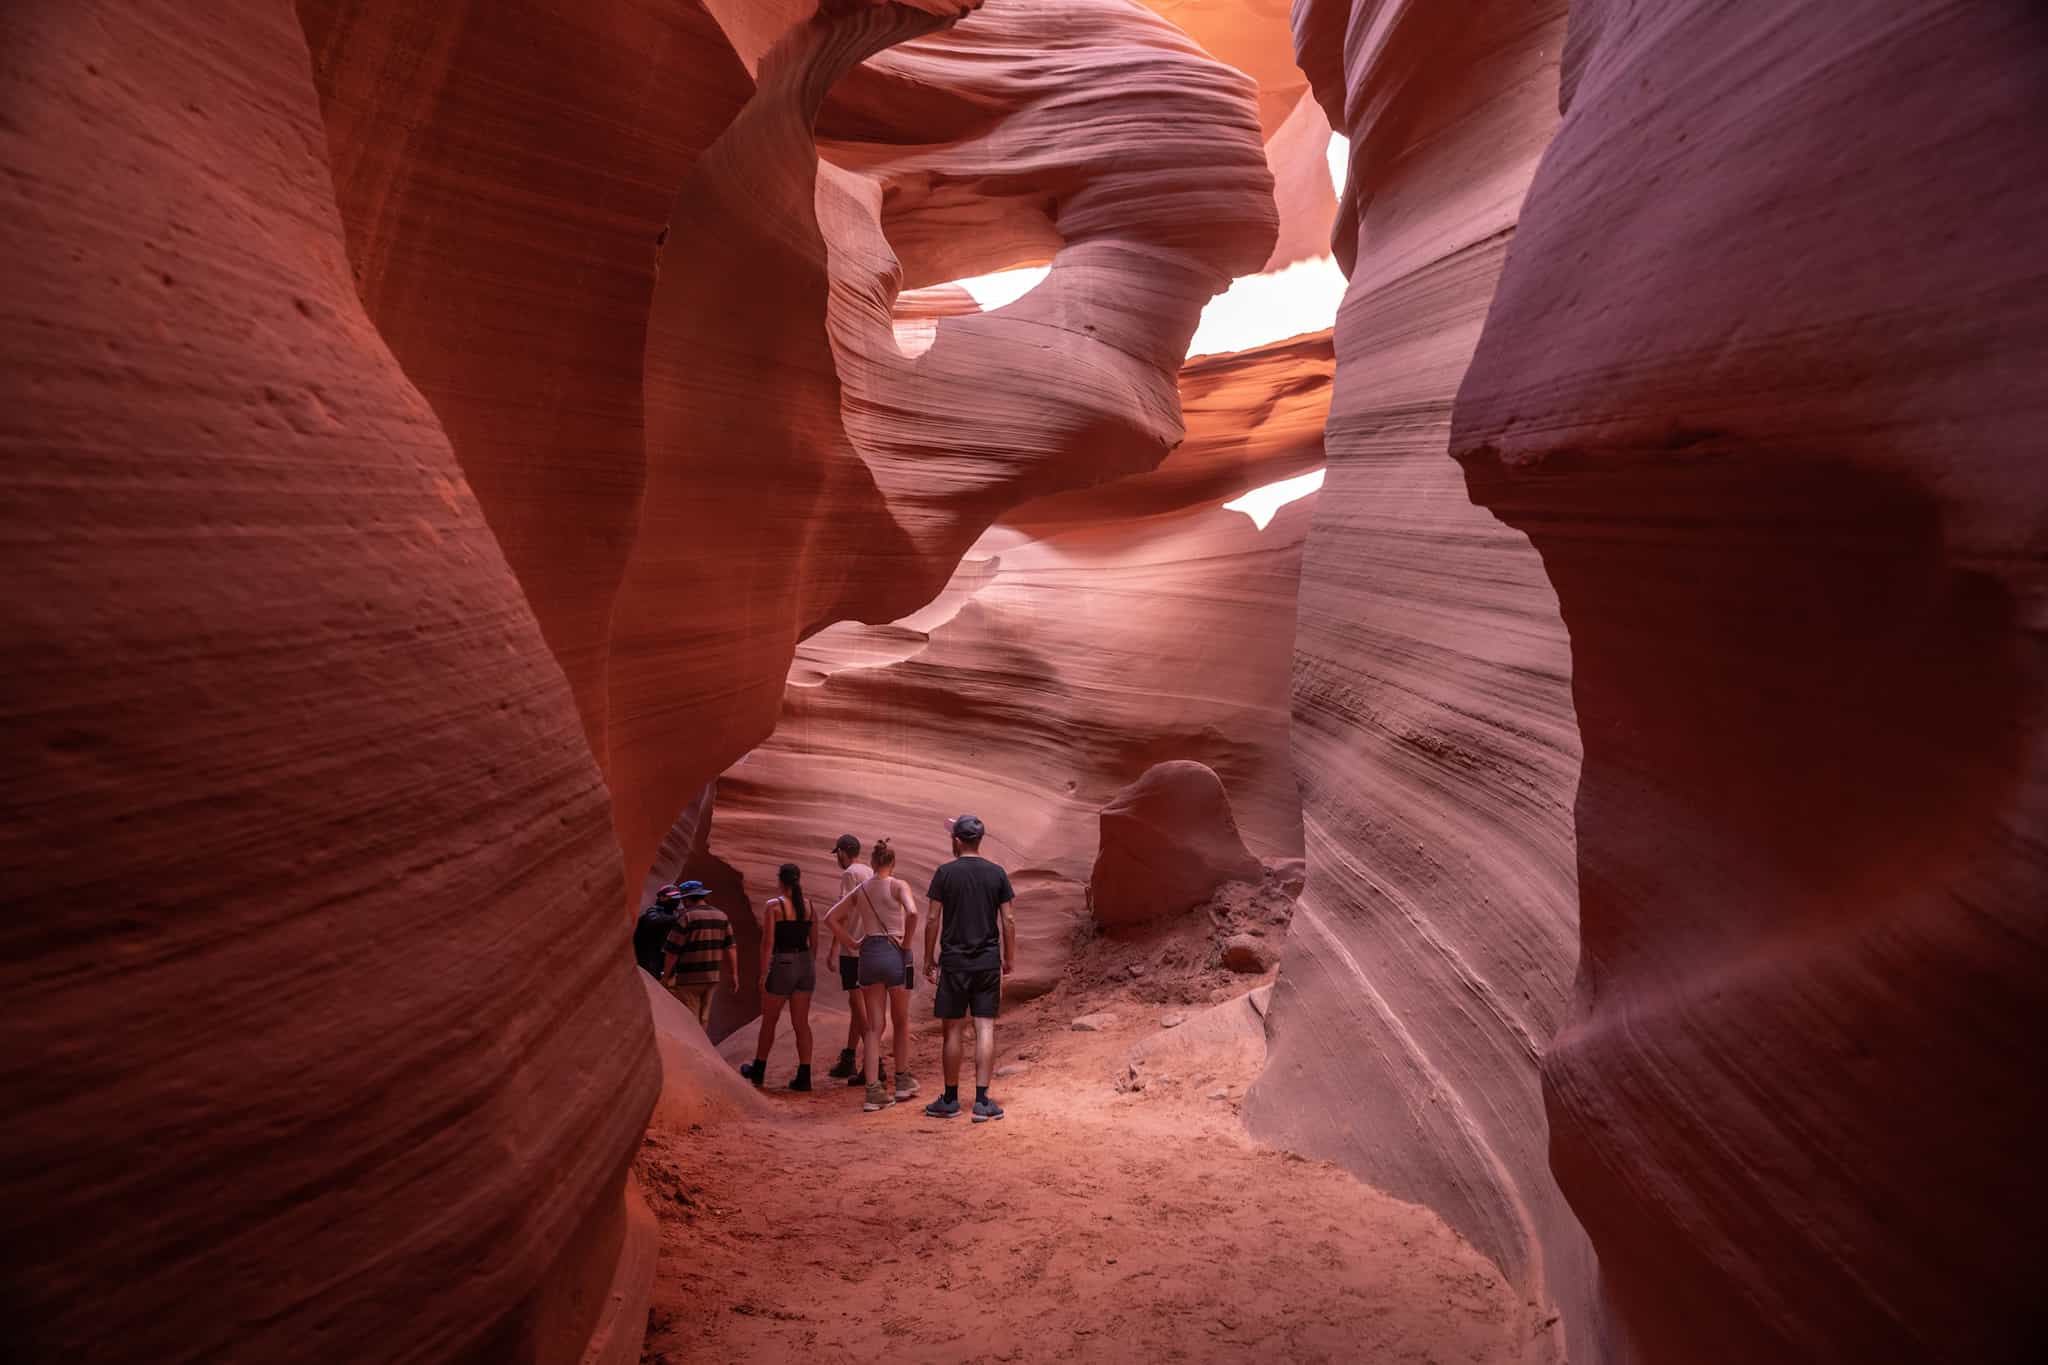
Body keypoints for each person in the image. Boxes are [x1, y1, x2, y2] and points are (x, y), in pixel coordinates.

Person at [922, 815, 1016, 1122]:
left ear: (957, 840)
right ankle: (982, 1101)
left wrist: (928, 958)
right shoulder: (997, 873)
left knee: (953, 1028)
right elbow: (1008, 919)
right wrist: (1009, 957)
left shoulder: (945, 873)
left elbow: (932, 918)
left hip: (954, 962)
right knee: (984, 1026)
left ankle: (950, 1100)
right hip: (987, 961)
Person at [821, 838, 920, 1112]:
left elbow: (830, 918)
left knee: (874, 1027)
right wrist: (906, 944)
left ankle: (873, 1091)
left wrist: (852, 944)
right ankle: (902, 1081)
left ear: (873, 862)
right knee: (900, 1021)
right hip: (895, 952)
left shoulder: (861, 889)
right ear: (892, 862)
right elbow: (912, 913)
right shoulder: (899, 885)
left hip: (869, 954)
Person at [739, 863, 816, 1091]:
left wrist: (763, 973)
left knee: (770, 1020)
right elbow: (814, 943)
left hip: (783, 963)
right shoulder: (810, 906)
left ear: (780, 881)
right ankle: (804, 1076)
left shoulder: (774, 906)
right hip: (805, 964)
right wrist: (807, 964)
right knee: (801, 1023)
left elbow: (768, 942)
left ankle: (759, 1070)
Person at [825, 833, 881, 1086]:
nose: (837, 858)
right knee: (856, 1004)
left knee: (860, 1008)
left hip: (853, 947)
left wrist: (835, 947)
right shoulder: (869, 871)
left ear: (843, 852)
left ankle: (875, 1064)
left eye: (837, 853)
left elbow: (842, 914)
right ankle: (849, 1057)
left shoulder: (849, 874)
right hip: (870, 945)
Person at [660, 880, 736, 1032]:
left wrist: (665, 977)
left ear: (687, 899)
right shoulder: (721, 916)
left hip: (689, 978)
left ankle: (694, 1047)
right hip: (712, 977)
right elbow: (731, 947)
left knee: (690, 1018)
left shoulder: (687, 917)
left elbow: (672, 952)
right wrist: (735, 975)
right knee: (704, 1017)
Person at [633, 883, 684, 977]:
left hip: (662, 957)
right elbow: (654, 920)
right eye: (672, 897)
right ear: (661, 897)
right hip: (648, 957)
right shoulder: (654, 911)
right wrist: (676, 917)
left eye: (677, 897)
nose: (675, 900)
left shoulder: (673, 914)